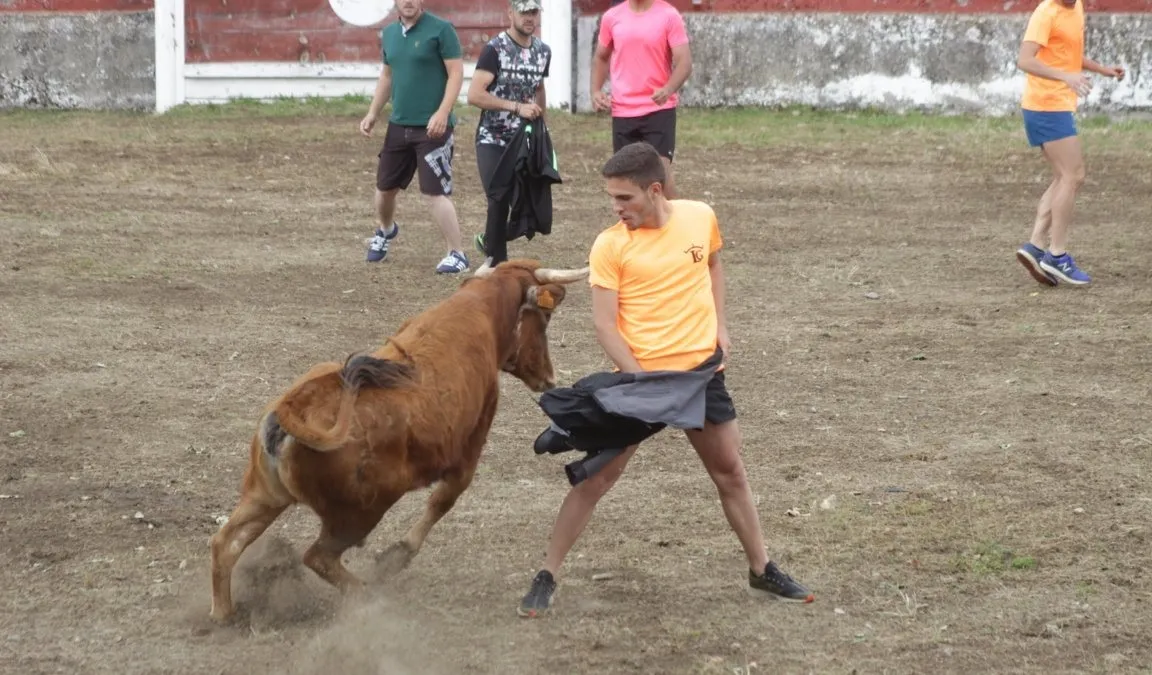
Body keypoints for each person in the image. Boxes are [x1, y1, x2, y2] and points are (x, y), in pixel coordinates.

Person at [517, 142, 815, 618]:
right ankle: (547, 574)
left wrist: (720, 325)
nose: (616, 208)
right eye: (611, 199)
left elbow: (712, 264)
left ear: (654, 190)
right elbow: (605, 326)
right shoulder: (611, 244)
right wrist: (641, 382)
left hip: (700, 375)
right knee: (597, 479)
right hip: (641, 381)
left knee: (731, 472)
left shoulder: (699, 217)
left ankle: (761, 569)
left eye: (624, 199)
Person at [1013, 0, 1124, 287]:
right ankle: (1056, 255)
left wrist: (1102, 69)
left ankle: (1036, 246)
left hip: (1056, 106)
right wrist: (1066, 77)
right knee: (1073, 175)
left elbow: (1066, 57)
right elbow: (1024, 60)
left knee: (1064, 176)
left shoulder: (1075, 9)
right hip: (1045, 107)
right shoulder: (1046, 12)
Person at [359, 0, 471, 274]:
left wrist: (443, 113)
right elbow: (387, 75)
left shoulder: (441, 30)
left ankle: (457, 254)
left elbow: (456, 73)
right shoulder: (389, 34)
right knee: (384, 189)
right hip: (398, 125)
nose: (408, 1)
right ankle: (386, 230)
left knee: (435, 193)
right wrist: (373, 112)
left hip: (433, 128)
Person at [466, 0, 551, 269]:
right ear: (510, 13)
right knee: (498, 197)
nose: (529, 17)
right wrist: (515, 107)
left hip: (524, 139)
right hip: (493, 137)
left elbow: (539, 89)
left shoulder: (542, 51)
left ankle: (491, 239)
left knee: (530, 207)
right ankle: (496, 263)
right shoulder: (495, 49)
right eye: (523, 11)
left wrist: (543, 132)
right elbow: (475, 95)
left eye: (533, 12)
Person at [591, 0, 692, 198]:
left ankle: (678, 226)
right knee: (626, 180)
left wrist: (669, 88)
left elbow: (684, 62)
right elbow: (601, 57)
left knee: (660, 176)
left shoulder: (668, 15)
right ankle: (634, 228)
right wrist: (595, 91)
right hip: (623, 111)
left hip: (658, 109)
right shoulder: (612, 17)